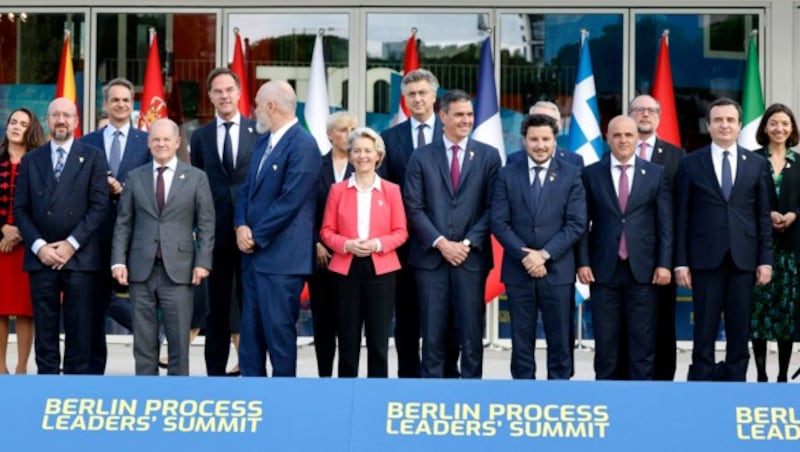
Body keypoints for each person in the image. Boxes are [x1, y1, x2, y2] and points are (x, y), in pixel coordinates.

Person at [404, 89, 502, 379]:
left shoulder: (489, 156)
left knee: (470, 332)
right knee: (432, 332)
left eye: (470, 114)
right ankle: (432, 393)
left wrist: (467, 243)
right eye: (459, 114)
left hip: (470, 259)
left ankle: (470, 392)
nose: (466, 120)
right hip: (430, 259)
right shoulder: (421, 156)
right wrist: (441, 243)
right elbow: (414, 206)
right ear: (442, 116)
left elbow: (493, 206)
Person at [675, 97, 773, 382]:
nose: (725, 125)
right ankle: (703, 385)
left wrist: (765, 260)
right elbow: (682, 216)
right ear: (709, 124)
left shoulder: (756, 164)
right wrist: (681, 262)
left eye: (730, 120)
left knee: (739, 329)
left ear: (740, 125)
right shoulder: (690, 163)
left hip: (744, 259)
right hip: (705, 259)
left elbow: (762, 216)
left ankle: (735, 384)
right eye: (718, 120)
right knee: (703, 328)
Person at [111, 118, 215, 376]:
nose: (161, 144)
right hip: (140, 269)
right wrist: (118, 261)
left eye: (166, 139)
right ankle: (147, 393)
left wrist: (203, 262)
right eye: (156, 139)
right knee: (144, 340)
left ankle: (176, 396)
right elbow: (124, 222)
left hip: (179, 270)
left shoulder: (196, 178)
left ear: (177, 142)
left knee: (179, 339)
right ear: (149, 143)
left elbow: (206, 222)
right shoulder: (135, 177)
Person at [13, 97, 109, 374]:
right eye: (55, 115)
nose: (61, 121)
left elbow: (99, 205)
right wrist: (40, 246)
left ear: (76, 121)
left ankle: (74, 388)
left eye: (67, 115)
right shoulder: (32, 160)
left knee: (79, 329)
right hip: (41, 257)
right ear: (47, 120)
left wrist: (71, 244)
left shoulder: (92, 156)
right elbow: (20, 209)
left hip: (79, 257)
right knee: (45, 328)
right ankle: (46, 385)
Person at [234, 80, 321, 377]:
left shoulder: (303, 145)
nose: (254, 110)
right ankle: (251, 398)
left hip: (282, 260)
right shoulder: (263, 142)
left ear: (271, 106)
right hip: (254, 258)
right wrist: (240, 225)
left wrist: (255, 236)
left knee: (279, 336)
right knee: (251, 337)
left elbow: (290, 201)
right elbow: (246, 190)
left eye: (257, 104)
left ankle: (282, 403)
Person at [577, 115, 673, 380]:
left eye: (628, 135)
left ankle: (639, 402)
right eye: (617, 135)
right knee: (606, 343)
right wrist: (583, 262)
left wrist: (664, 264)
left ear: (637, 138)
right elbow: (582, 223)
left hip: (644, 270)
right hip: (603, 270)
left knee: (642, 341)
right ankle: (607, 399)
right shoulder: (591, 173)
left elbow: (665, 224)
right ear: (607, 138)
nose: (623, 140)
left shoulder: (656, 174)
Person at [379, 69, 461, 378]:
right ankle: (409, 379)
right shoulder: (389, 139)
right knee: (408, 317)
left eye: (422, 93)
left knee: (447, 317)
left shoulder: (452, 134)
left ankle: (447, 376)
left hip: (447, 245)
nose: (417, 99)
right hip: (405, 247)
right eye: (411, 94)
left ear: (434, 97)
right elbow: (385, 195)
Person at [491, 114, 586, 379]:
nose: (540, 145)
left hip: (557, 271)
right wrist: (527, 257)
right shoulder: (507, 174)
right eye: (534, 139)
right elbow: (499, 222)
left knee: (560, 338)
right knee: (521, 338)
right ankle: (524, 392)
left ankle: (560, 392)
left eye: (546, 139)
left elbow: (577, 223)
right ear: (524, 141)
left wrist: (543, 255)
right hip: (518, 270)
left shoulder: (571, 174)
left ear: (555, 140)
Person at [321, 127, 408, 377]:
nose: (362, 156)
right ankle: (345, 396)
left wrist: (377, 244)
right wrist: (346, 245)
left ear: (378, 155)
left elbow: (401, 231)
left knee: (378, 340)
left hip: (381, 269)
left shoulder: (392, 190)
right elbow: (326, 231)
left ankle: (376, 396)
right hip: (346, 268)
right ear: (349, 156)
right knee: (347, 340)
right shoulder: (337, 190)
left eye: (368, 151)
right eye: (356, 151)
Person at [190, 67, 259, 376]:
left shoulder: (258, 132)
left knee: (249, 306)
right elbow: (199, 184)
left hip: (250, 234)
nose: (224, 96)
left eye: (229, 90)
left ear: (239, 93)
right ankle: (214, 373)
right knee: (215, 308)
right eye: (217, 91)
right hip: (213, 234)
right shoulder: (201, 136)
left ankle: (250, 366)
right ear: (210, 96)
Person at [81, 77, 151, 374]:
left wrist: (124, 188)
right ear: (105, 104)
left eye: (126, 99)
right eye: (115, 99)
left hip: (134, 234)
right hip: (95, 235)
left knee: (141, 300)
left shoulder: (146, 141)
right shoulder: (87, 142)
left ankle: (148, 364)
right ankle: (95, 371)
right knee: (95, 304)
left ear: (132, 104)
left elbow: (151, 183)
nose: (120, 104)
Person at [627, 94, 685, 380]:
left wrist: (671, 259)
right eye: (639, 110)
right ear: (629, 115)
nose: (645, 115)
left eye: (651, 110)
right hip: (625, 254)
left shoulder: (676, 155)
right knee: (628, 325)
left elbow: (679, 210)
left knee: (662, 324)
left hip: (662, 255)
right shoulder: (615, 150)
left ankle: (663, 382)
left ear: (660, 117)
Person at [750, 103, 800, 382]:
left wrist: (794, 214)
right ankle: (760, 375)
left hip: (792, 253)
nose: (779, 128)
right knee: (758, 313)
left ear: (792, 128)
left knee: (786, 314)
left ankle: (782, 375)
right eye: (774, 123)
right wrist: (766, 213)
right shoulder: (753, 161)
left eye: (785, 123)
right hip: (759, 250)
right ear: (765, 128)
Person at [309, 111, 356, 377]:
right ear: (330, 135)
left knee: (349, 323)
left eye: (353, 128)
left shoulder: (364, 165)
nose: (350, 133)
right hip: (322, 257)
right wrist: (316, 241)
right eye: (344, 129)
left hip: (353, 257)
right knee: (324, 321)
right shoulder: (315, 165)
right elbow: (306, 208)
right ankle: (324, 377)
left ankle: (347, 380)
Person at [0, 108, 45, 374]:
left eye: (23, 124)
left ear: (32, 130)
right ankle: (1, 370)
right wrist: (2, 230)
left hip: (28, 246)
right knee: (1, 308)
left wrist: (20, 232)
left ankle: (21, 368)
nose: (16, 127)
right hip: (0, 246)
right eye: (13, 122)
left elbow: (44, 204)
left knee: (26, 308)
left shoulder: (39, 161)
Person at [506, 101, 584, 168]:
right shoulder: (514, 160)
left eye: (549, 121)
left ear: (559, 125)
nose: (542, 125)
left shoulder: (574, 161)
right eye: (536, 120)